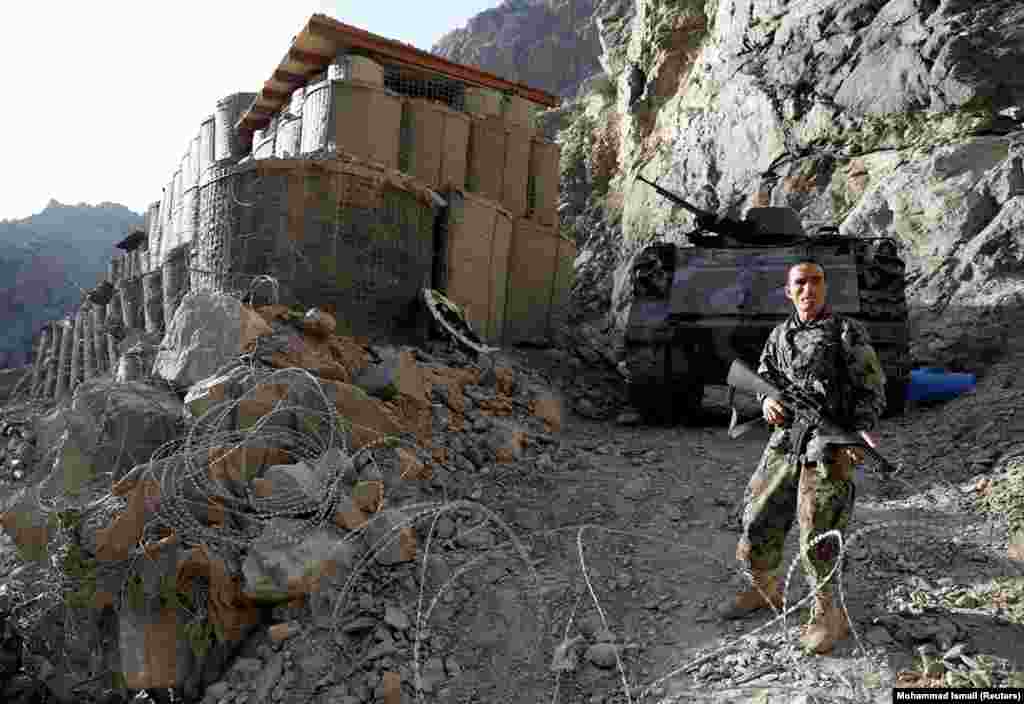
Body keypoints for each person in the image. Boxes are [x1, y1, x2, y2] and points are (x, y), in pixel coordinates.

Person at [717, 259, 886, 655]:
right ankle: (763, 588)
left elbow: (873, 388)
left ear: (825, 288)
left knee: (820, 528)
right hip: (786, 438)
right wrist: (767, 399)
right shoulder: (780, 334)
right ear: (788, 291)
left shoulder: (846, 332)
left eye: (816, 281)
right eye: (800, 283)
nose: (809, 289)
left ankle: (829, 613)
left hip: (827, 441)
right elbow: (765, 373)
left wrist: (855, 435)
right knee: (758, 513)